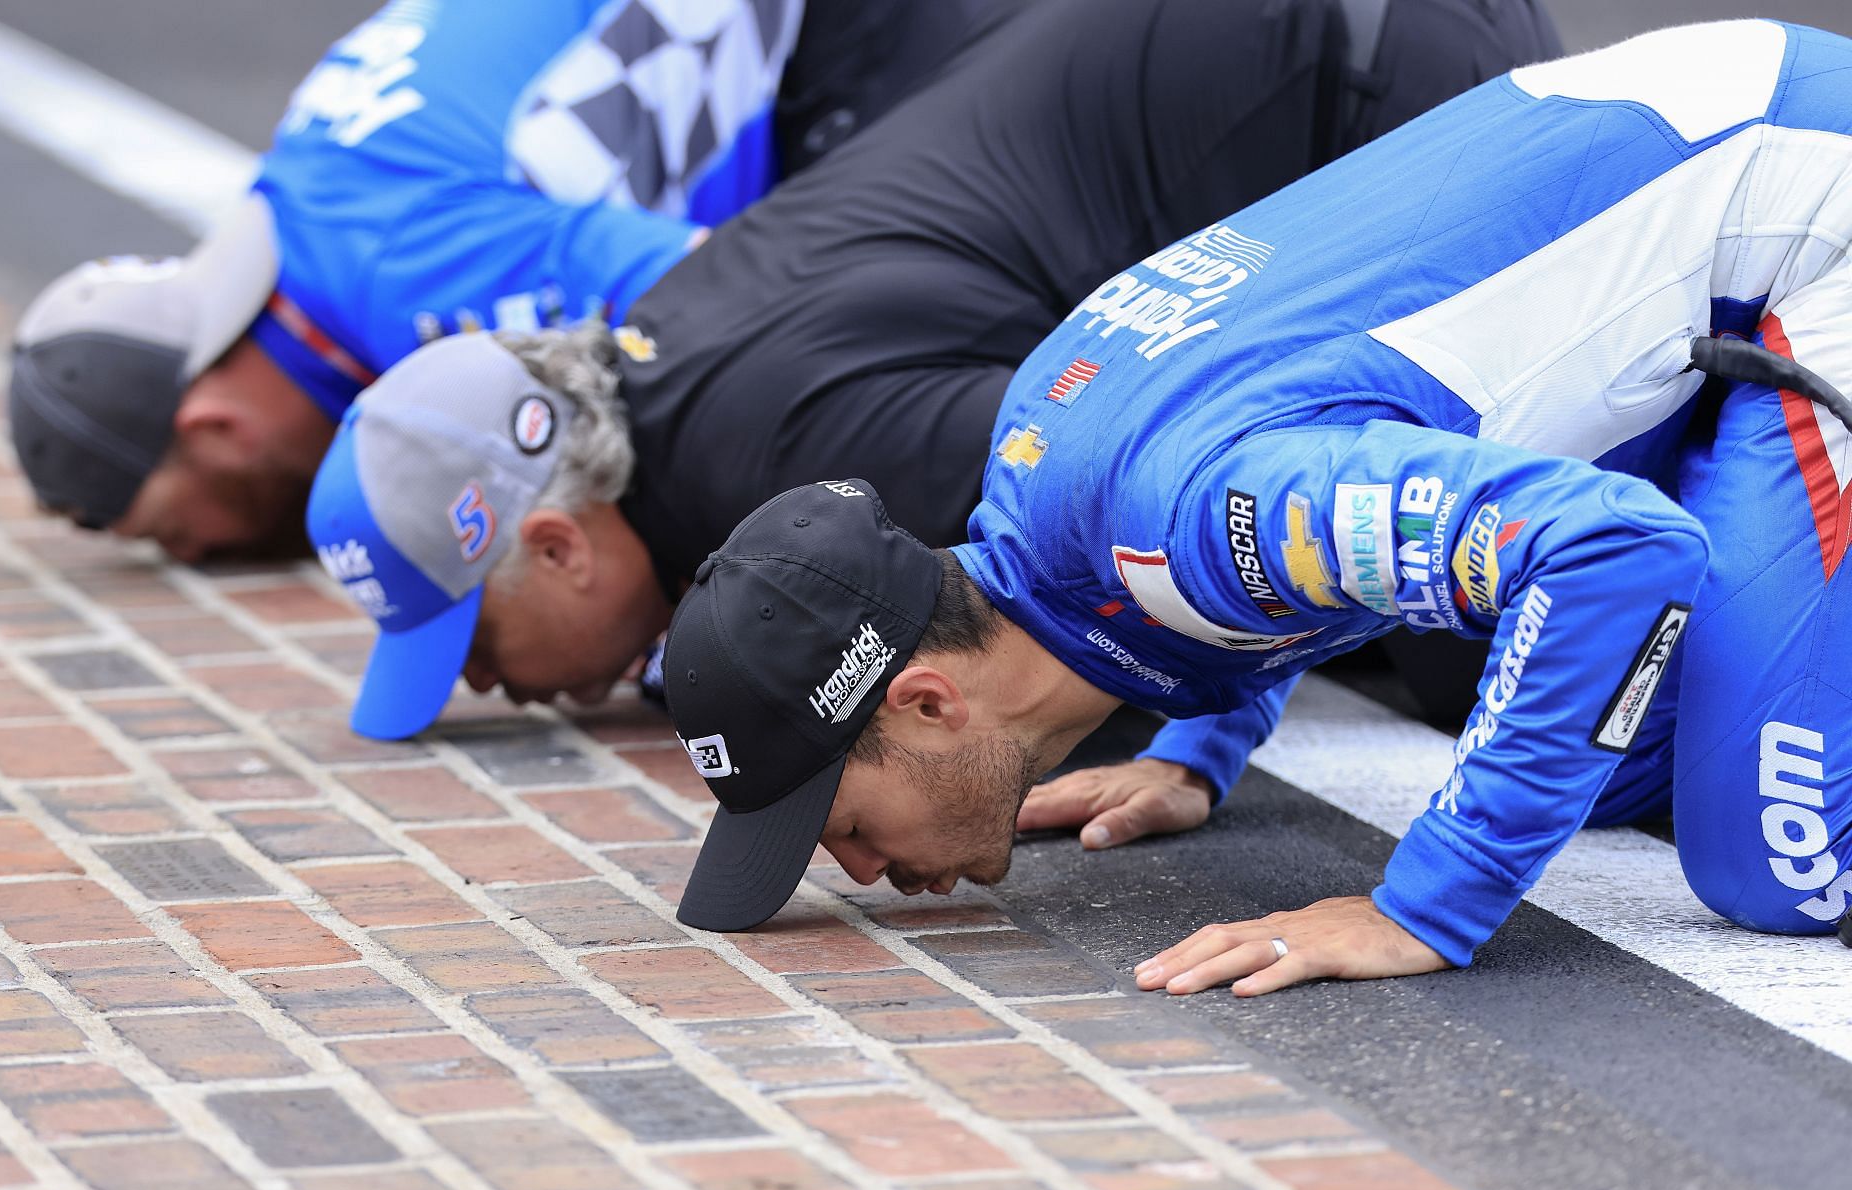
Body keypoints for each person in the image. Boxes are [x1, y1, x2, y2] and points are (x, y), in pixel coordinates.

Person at [659, 20, 1852, 989]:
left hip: (1809, 205)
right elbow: (1295, 532)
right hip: (1711, 166)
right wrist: (1198, 743)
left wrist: (1426, 906)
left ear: (925, 700)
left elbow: (1613, 554)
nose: (860, 871)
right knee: (1614, 756)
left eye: (840, 820)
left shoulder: (1183, 519)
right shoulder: (1045, 471)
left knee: (1773, 858)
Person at [304, 0, 1562, 739]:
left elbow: (1150, 465)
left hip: (1375, 77)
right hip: (1298, 68)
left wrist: (1186, 731)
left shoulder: (775, 445)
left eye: (473, 633)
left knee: (1478, 646)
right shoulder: (671, 359)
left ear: (562, 541)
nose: (485, 682)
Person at [3, 0, 1009, 563]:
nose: (196, 556)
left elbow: (742, 302)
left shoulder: (411, 283)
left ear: (217, 432)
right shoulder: (310, 197)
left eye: (177, 535)